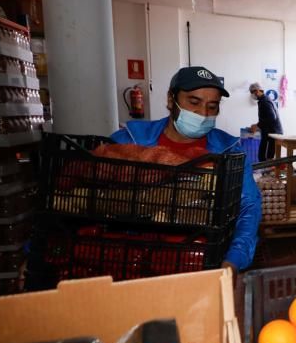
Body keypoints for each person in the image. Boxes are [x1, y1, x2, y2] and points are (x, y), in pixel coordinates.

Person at [111, 66, 261, 273]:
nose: (203, 113)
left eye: (212, 106)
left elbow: (248, 209)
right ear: (171, 100)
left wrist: (233, 260)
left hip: (199, 263)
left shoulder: (230, 153)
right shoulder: (130, 141)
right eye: (194, 102)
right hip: (132, 265)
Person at [248, 82, 282, 161]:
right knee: (263, 154)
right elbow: (266, 118)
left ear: (257, 91)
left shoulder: (265, 101)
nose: (253, 95)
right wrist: (258, 125)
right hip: (269, 131)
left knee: (266, 155)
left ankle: (266, 171)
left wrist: (257, 126)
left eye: (252, 92)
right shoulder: (263, 100)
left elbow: (272, 117)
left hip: (273, 133)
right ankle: (265, 170)